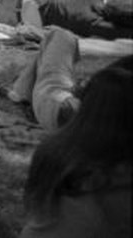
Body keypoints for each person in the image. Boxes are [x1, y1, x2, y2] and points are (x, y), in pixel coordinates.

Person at [20, 54, 132, 237]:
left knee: (58, 39)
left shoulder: (55, 150)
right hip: (56, 101)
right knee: (59, 38)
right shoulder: (117, 175)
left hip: (59, 100)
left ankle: (17, 89)